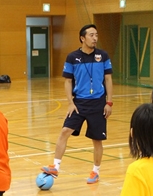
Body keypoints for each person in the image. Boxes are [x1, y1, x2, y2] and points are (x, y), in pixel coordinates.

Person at [41, 24, 113, 184]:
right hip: (79, 103)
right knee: (65, 131)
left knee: (97, 140)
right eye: (92, 35)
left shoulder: (103, 56)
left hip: (98, 104)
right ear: (82, 38)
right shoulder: (72, 57)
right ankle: (55, 167)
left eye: (96, 35)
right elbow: (68, 81)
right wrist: (70, 103)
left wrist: (109, 102)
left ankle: (96, 172)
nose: (95, 38)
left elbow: (108, 79)